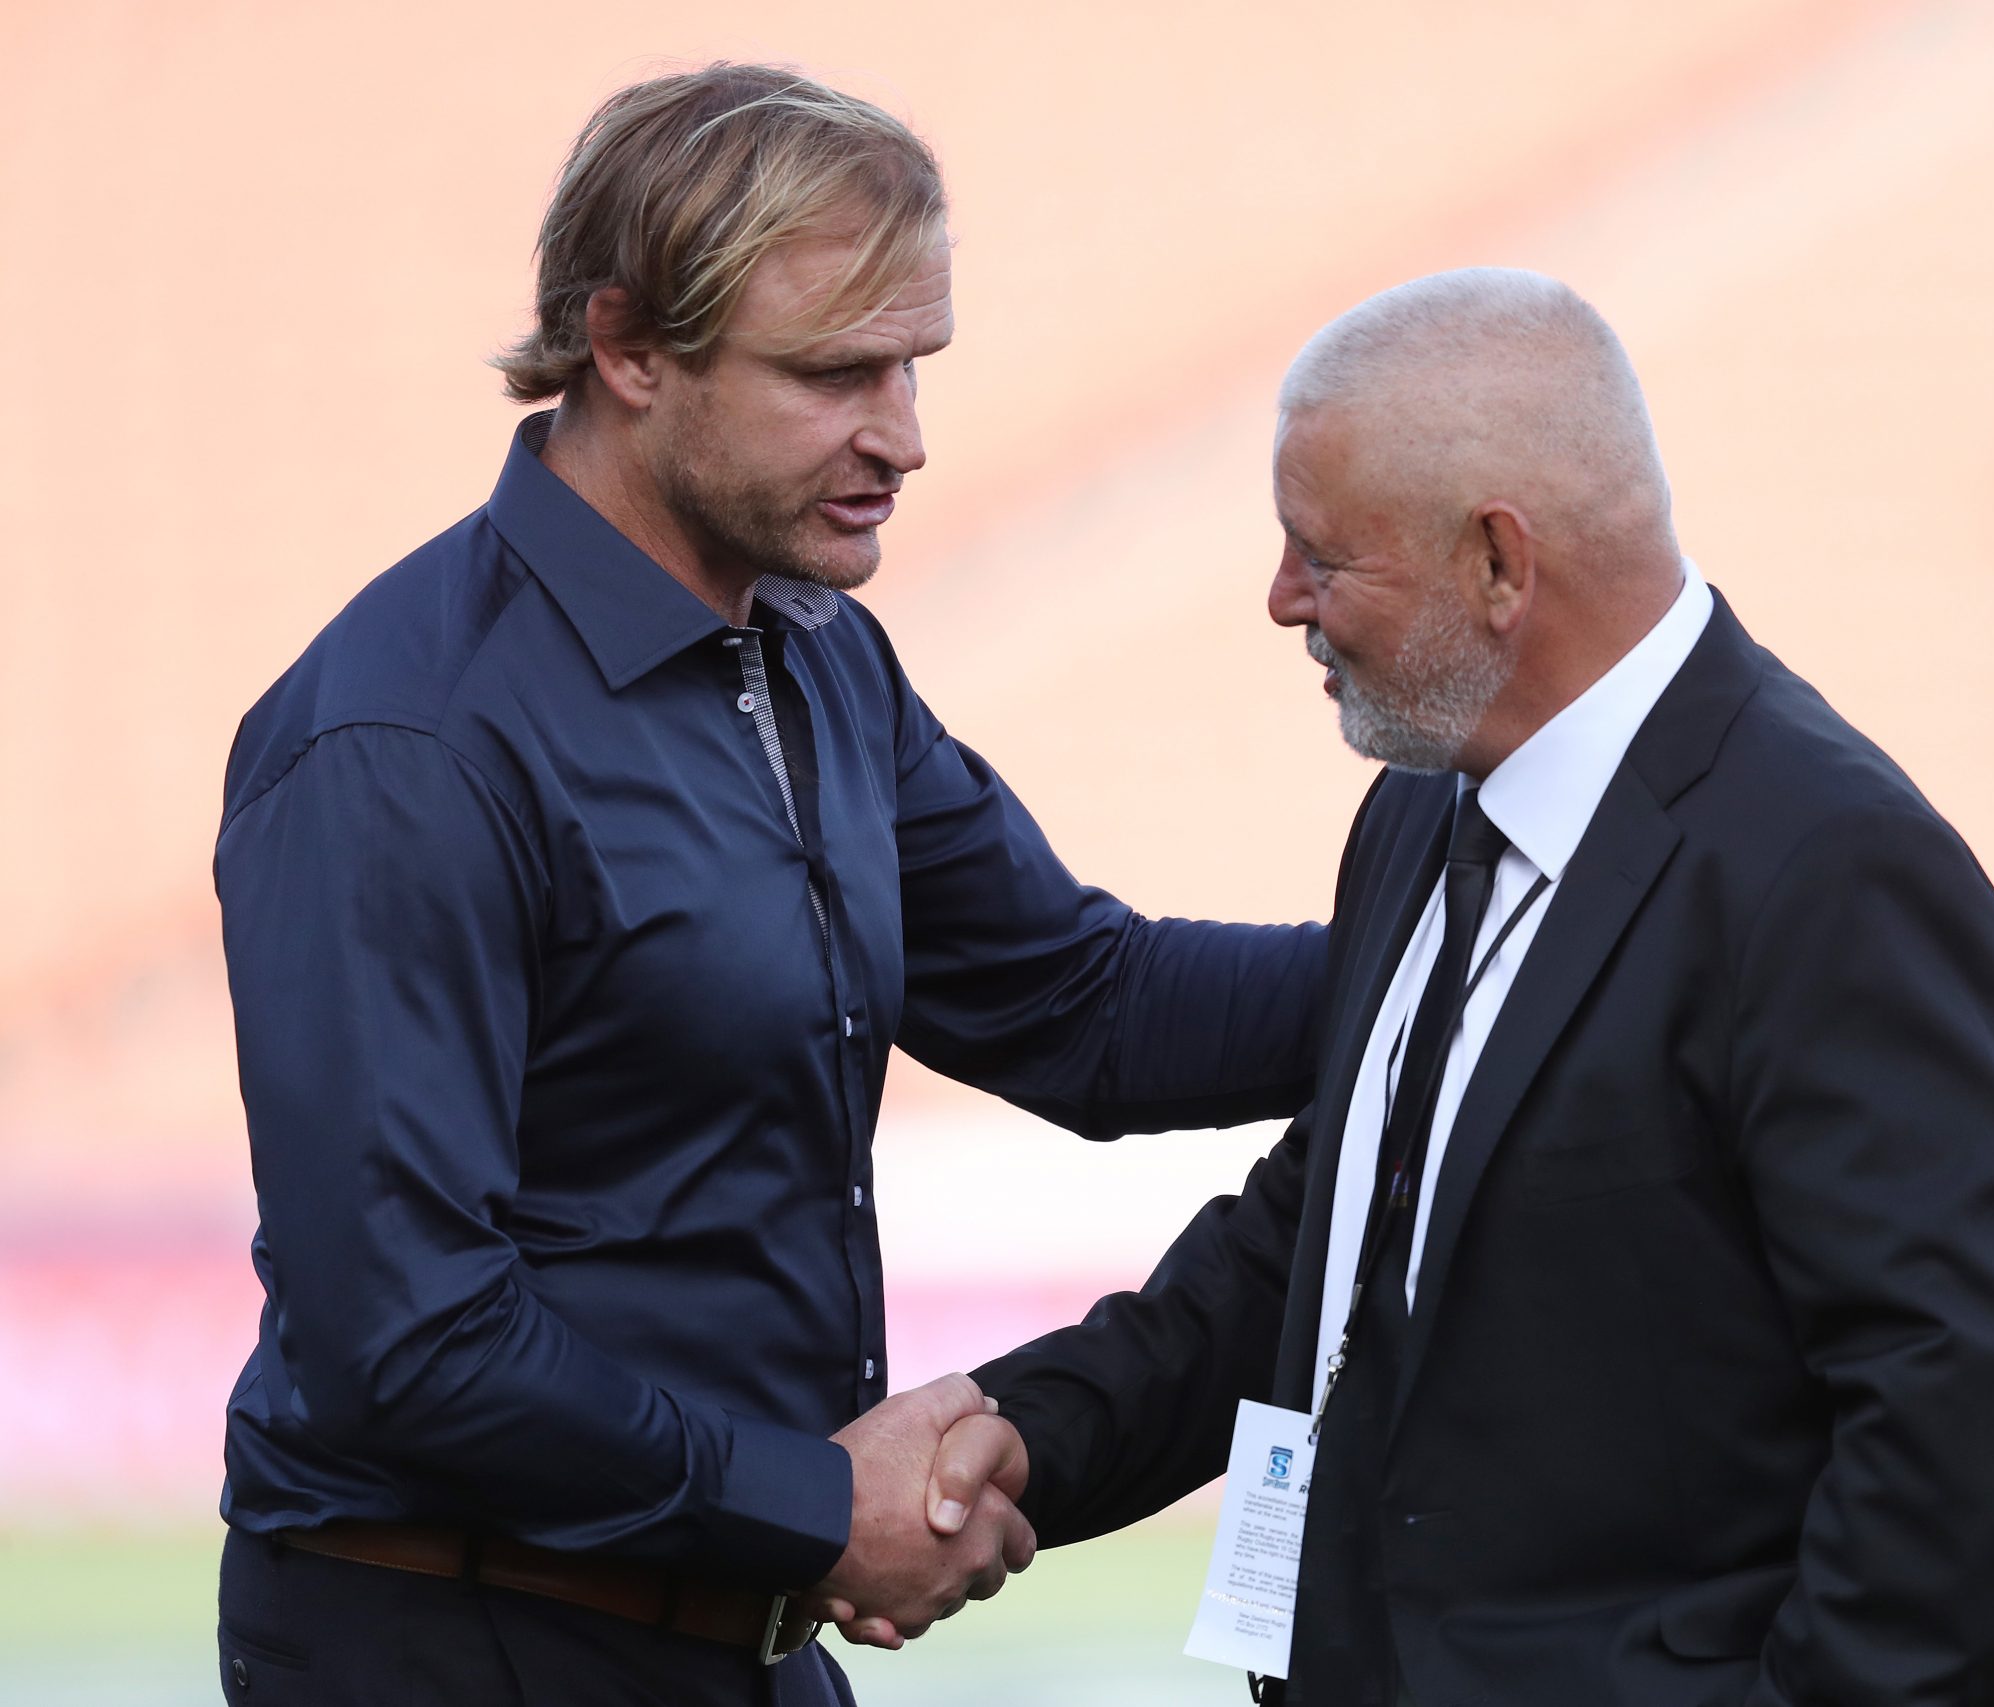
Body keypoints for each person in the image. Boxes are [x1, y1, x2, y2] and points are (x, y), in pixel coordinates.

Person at [211, 64, 1323, 1706]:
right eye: (835, 374)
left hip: (736, 1632)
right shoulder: (406, 745)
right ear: (628, 346)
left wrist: (1485, 946)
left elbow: (1088, 1007)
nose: (906, 435)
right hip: (458, 1641)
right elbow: (408, 1343)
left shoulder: (814, 656)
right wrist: (819, 1508)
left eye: (914, 365)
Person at [961, 270, 1994, 1705]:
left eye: (1325, 553)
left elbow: (1961, 1415)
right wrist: (1025, 1437)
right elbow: (1319, 1243)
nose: (1281, 600)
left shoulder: (1828, 866)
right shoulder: (1427, 812)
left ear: (1501, 563)